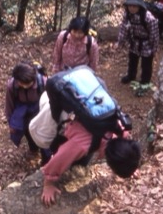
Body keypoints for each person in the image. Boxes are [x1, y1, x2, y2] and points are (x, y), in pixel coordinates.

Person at [39, 75, 141, 206]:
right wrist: (48, 184)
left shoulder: (122, 127)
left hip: (82, 91)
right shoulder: (82, 145)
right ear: (110, 162)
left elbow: (126, 150)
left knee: (82, 159)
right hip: (60, 112)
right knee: (74, 160)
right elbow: (59, 158)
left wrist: (129, 167)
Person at [4, 62, 51, 165]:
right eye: (21, 83)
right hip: (22, 111)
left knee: (43, 133)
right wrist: (10, 122)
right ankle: (33, 148)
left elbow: (51, 101)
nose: (23, 86)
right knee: (27, 131)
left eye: (27, 84)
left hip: (40, 109)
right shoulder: (12, 85)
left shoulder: (43, 82)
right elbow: (9, 104)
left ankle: (46, 159)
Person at [117, 0, 160, 85]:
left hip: (147, 42)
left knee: (146, 64)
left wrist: (154, 48)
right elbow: (123, 28)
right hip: (134, 41)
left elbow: (154, 34)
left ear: (140, 6)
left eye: (134, 6)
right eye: (130, 5)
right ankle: (131, 76)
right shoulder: (127, 15)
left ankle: (145, 81)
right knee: (132, 61)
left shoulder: (149, 18)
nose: (132, 8)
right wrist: (120, 42)